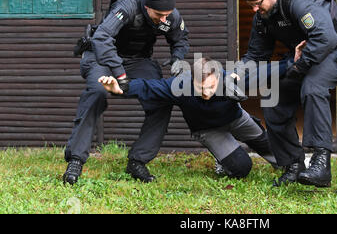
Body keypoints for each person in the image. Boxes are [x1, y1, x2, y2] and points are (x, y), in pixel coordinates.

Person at [240, 0, 337, 187]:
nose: (254, 9)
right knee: (273, 98)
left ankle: (321, 164)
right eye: (250, 5)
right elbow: (256, 55)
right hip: (308, 56)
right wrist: (235, 74)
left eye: (257, 3)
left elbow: (325, 38)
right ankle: (293, 166)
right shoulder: (263, 17)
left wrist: (298, 67)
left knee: (313, 86)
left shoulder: (300, 1)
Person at [63, 0, 190, 185]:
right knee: (97, 92)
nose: (164, 19)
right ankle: (76, 159)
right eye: (159, 15)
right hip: (101, 57)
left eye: (167, 14)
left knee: (162, 97)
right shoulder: (127, 6)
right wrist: (120, 75)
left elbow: (181, 38)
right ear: (147, 6)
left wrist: (178, 57)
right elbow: (102, 38)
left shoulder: (169, 15)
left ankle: (138, 160)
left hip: (137, 60)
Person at [98, 57, 286, 179]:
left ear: (219, 78)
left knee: (276, 152)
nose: (206, 92)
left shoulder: (230, 79)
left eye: (211, 87)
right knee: (242, 168)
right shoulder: (179, 86)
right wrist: (119, 89)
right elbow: (148, 87)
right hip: (207, 129)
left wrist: (293, 62)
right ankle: (222, 159)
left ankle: (284, 165)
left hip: (236, 118)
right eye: (200, 87)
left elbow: (266, 71)